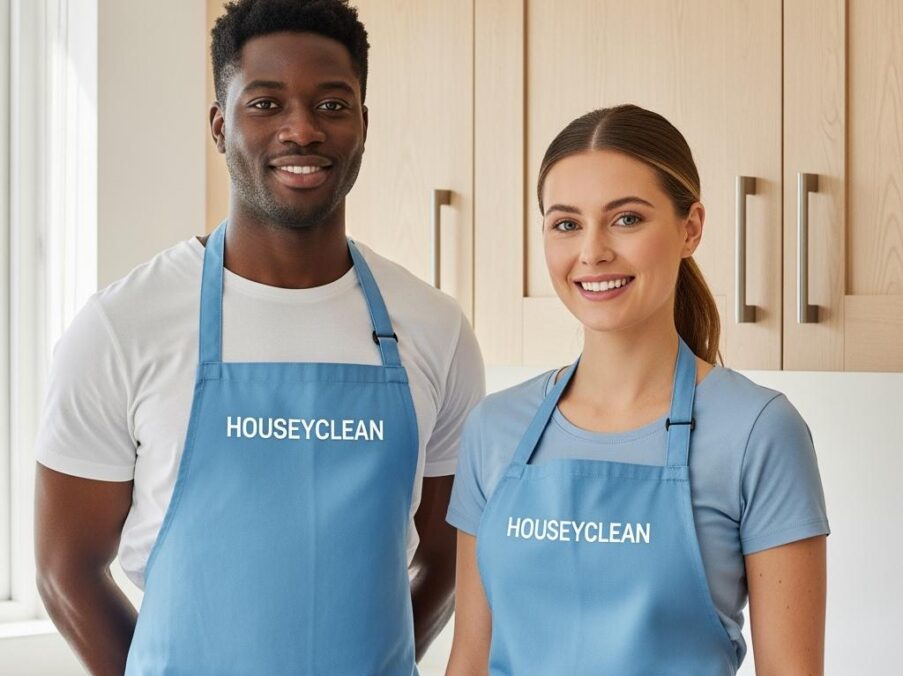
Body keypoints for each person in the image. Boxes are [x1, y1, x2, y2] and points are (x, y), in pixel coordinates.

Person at [34, 1, 484, 673]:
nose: (300, 130)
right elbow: (64, 570)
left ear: (363, 125)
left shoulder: (434, 328)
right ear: (220, 126)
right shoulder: (121, 327)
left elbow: (448, 559)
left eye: (332, 106)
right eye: (266, 104)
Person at [445, 105, 829, 676]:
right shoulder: (495, 428)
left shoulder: (756, 430)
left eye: (626, 219)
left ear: (690, 228)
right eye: (567, 223)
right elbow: (471, 659)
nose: (592, 251)